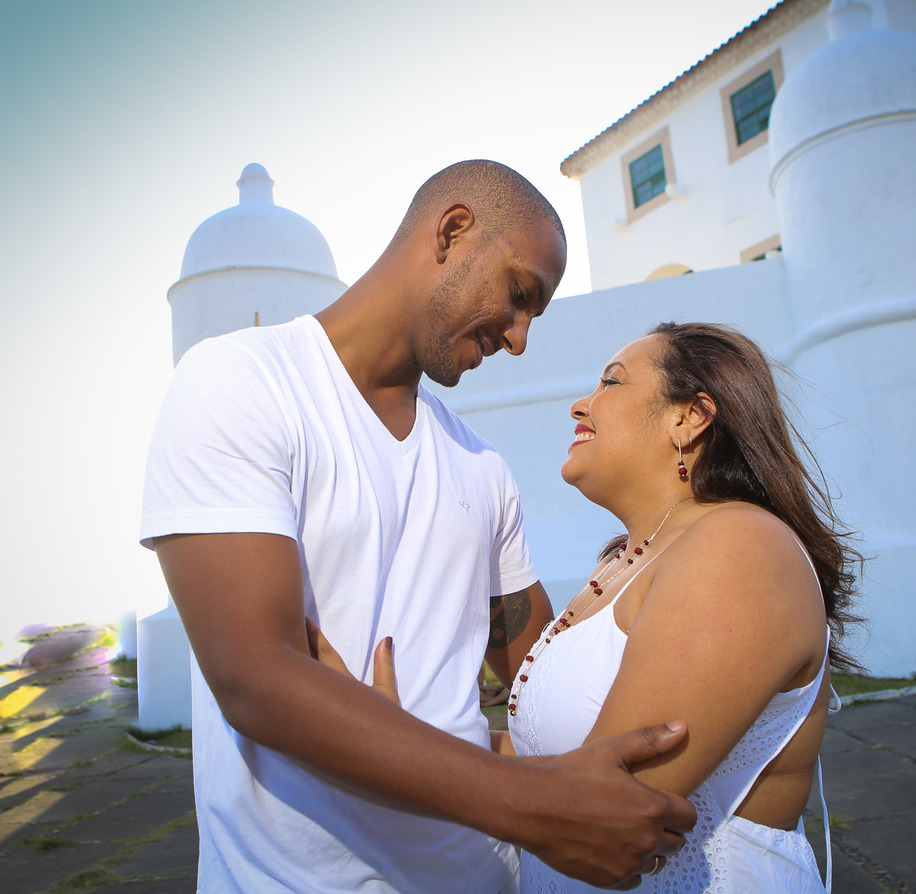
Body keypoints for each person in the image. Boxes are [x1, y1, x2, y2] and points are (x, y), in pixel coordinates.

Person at [139, 160, 696, 893]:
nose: (521, 337)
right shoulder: (241, 383)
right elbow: (254, 676)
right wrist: (534, 807)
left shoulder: (480, 466)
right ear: (453, 229)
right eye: (519, 293)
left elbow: (534, 681)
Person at [320, 322, 863, 891]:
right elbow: (549, 762)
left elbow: (606, 806)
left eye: (612, 382)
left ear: (689, 416)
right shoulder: (622, 565)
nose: (582, 403)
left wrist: (395, 751)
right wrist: (415, 725)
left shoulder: (739, 549)